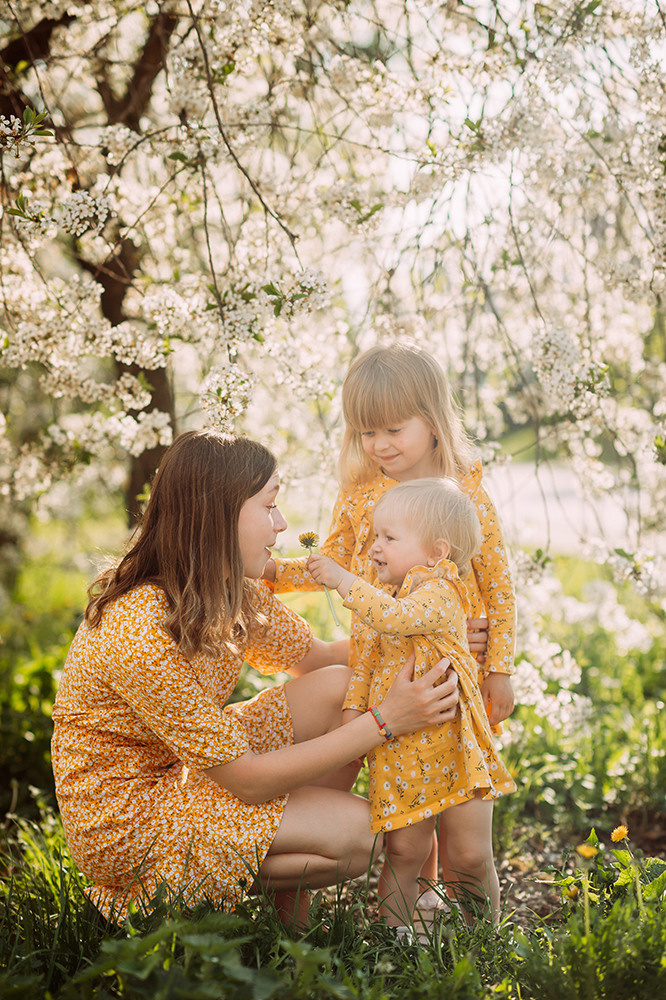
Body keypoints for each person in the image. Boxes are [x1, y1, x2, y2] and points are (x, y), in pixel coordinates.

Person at [50, 430, 459, 926]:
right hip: (129, 822)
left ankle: (290, 917)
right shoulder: (138, 627)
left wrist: (435, 635)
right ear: (217, 514)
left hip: (191, 775)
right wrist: (386, 720)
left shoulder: (227, 588)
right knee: (364, 836)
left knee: (338, 685)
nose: (281, 525)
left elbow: (323, 657)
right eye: (269, 506)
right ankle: (183, 895)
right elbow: (246, 780)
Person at [264, 342, 516, 899]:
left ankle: (469, 940)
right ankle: (404, 926)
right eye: (365, 432)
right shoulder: (360, 499)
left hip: (455, 676)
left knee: (462, 832)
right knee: (407, 827)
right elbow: (330, 566)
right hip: (379, 676)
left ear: (432, 421)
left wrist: (500, 666)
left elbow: (497, 584)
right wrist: (268, 572)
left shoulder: (466, 489)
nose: (377, 445)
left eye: (392, 430)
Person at [307, 478, 515, 928]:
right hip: (401, 750)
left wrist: (343, 580)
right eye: (376, 535)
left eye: (389, 537)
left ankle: (485, 939)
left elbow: (397, 619)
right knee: (404, 851)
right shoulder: (383, 597)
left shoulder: (441, 592)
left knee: (470, 854)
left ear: (436, 553)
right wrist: (351, 723)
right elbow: (362, 668)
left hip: (457, 745)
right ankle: (398, 938)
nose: (374, 548)